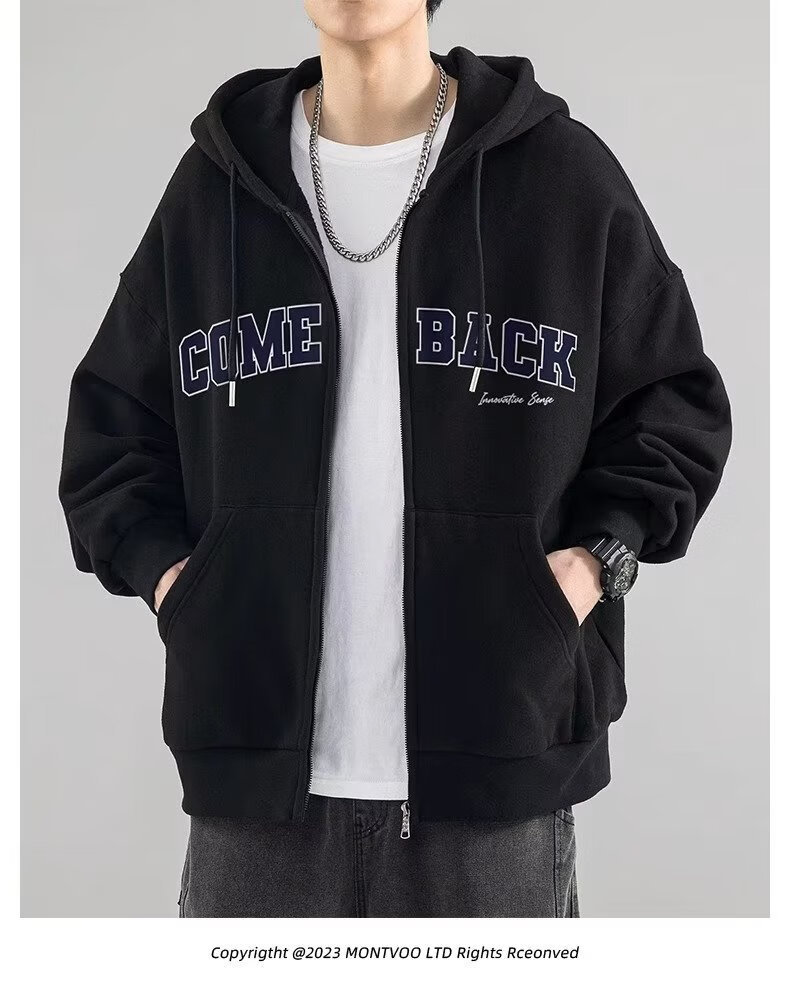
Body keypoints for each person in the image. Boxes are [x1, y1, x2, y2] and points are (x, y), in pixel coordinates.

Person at [58, 0, 731, 918]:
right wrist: (181, 584)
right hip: (255, 793)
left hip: (496, 782)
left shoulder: (560, 177)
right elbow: (111, 428)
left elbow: (675, 405)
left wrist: (593, 562)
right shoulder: (216, 188)